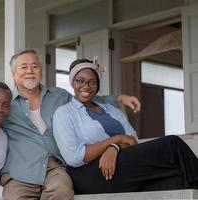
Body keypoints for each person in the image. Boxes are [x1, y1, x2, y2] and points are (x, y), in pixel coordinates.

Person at [0, 49, 141, 200]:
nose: (30, 71)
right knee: (15, 197)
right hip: (21, 171)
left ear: (41, 71)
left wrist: (120, 98)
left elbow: (87, 97)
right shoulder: (5, 104)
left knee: (62, 191)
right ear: (14, 74)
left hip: (56, 167)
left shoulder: (59, 96)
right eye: (23, 67)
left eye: (34, 66)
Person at [53, 58, 198, 194]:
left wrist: (115, 148)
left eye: (92, 82)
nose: (86, 86)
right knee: (172, 144)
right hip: (89, 174)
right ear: (72, 82)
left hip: (120, 166)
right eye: (80, 81)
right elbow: (75, 157)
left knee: (177, 179)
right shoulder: (64, 113)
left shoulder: (112, 110)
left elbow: (132, 141)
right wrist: (115, 140)